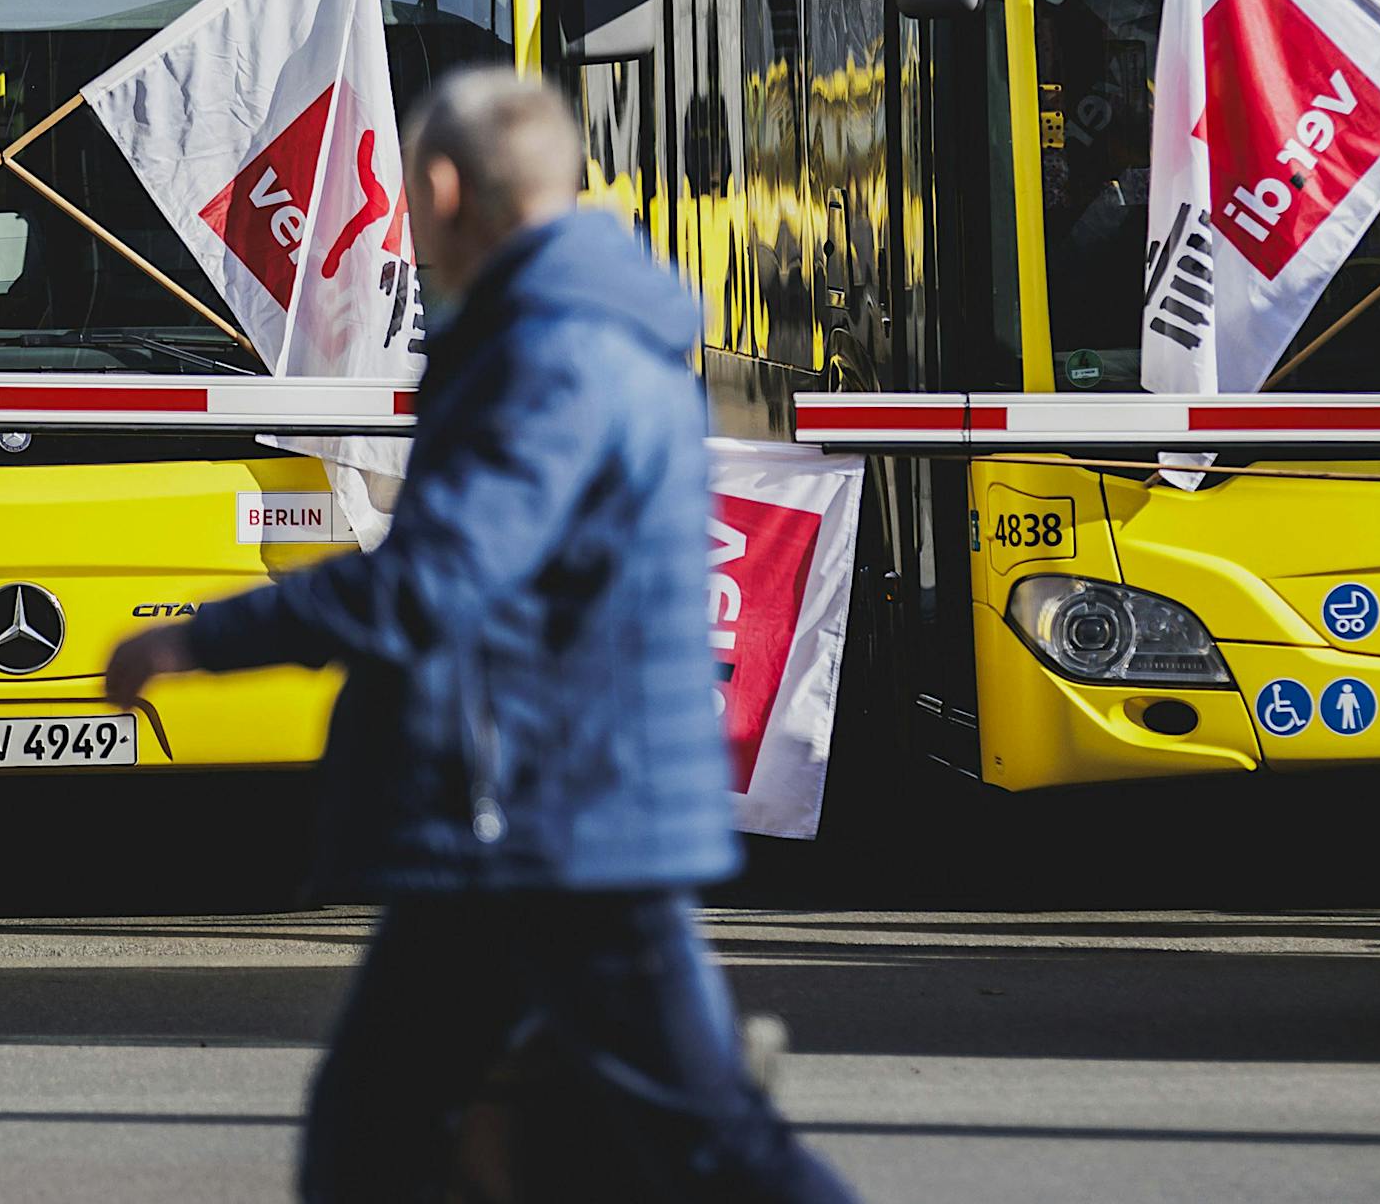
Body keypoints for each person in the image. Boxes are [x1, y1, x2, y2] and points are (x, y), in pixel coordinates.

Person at [106, 69, 854, 1203]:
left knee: (699, 1143)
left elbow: (440, 575)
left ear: (444, 189)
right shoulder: (574, 331)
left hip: (556, 820)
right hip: (536, 810)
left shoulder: (550, 352)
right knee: (386, 1132)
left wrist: (201, 639)